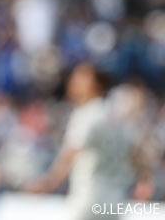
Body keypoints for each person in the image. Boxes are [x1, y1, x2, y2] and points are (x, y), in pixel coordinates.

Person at [25, 62, 136, 220]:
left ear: (96, 84)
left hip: (89, 198)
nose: (73, 81)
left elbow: (71, 153)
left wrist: (48, 183)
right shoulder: (113, 114)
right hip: (115, 199)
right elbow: (133, 153)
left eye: (81, 78)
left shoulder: (86, 114)